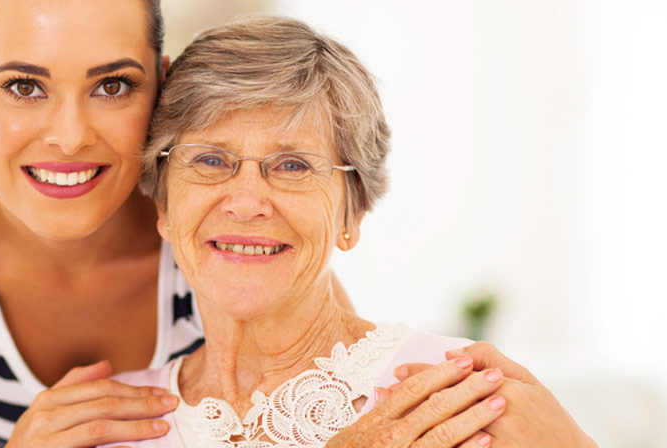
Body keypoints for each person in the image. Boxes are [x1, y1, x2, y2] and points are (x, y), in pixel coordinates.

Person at [0, 1, 569, 447]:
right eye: (24, 86)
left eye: (113, 85)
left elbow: (321, 336)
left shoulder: (438, 394)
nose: (71, 137)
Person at [101, 16, 596, 447]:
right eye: (211, 159)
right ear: (163, 205)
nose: (247, 202)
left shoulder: (453, 396)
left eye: (293, 165)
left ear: (351, 215)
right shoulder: (108, 424)